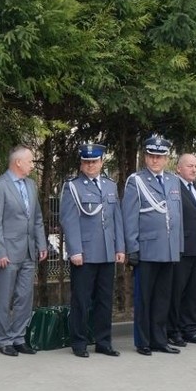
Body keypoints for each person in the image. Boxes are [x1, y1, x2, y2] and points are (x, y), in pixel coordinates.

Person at [59, 143, 125, 358]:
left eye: (94, 161)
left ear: (101, 162)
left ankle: (103, 341)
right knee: (81, 299)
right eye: (86, 162)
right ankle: (79, 342)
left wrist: (120, 247)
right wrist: (75, 250)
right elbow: (69, 220)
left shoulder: (109, 186)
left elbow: (117, 218)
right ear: (81, 163)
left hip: (107, 252)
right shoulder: (73, 187)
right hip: (85, 254)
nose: (90, 165)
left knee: (105, 299)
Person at [123, 136, 184, 355]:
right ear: (146, 157)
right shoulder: (136, 181)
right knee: (145, 298)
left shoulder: (173, 181)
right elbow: (129, 217)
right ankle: (143, 341)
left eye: (159, 157)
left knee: (162, 298)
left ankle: (160, 339)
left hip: (168, 249)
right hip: (147, 249)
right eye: (151, 156)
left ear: (167, 159)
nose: (155, 160)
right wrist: (133, 248)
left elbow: (178, 217)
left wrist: (178, 246)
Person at [0, 145, 48, 357]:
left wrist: (42, 244)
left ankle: (18, 337)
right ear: (18, 162)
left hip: (29, 251)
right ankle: (4, 340)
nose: (33, 165)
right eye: (31, 161)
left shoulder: (31, 185)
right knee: (4, 299)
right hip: (8, 253)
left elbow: (37, 218)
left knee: (25, 297)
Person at [169, 154, 196, 346]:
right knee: (177, 292)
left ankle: (190, 329)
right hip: (181, 248)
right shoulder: (172, 187)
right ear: (178, 168)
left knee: (194, 294)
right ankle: (173, 330)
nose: (193, 169)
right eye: (189, 166)